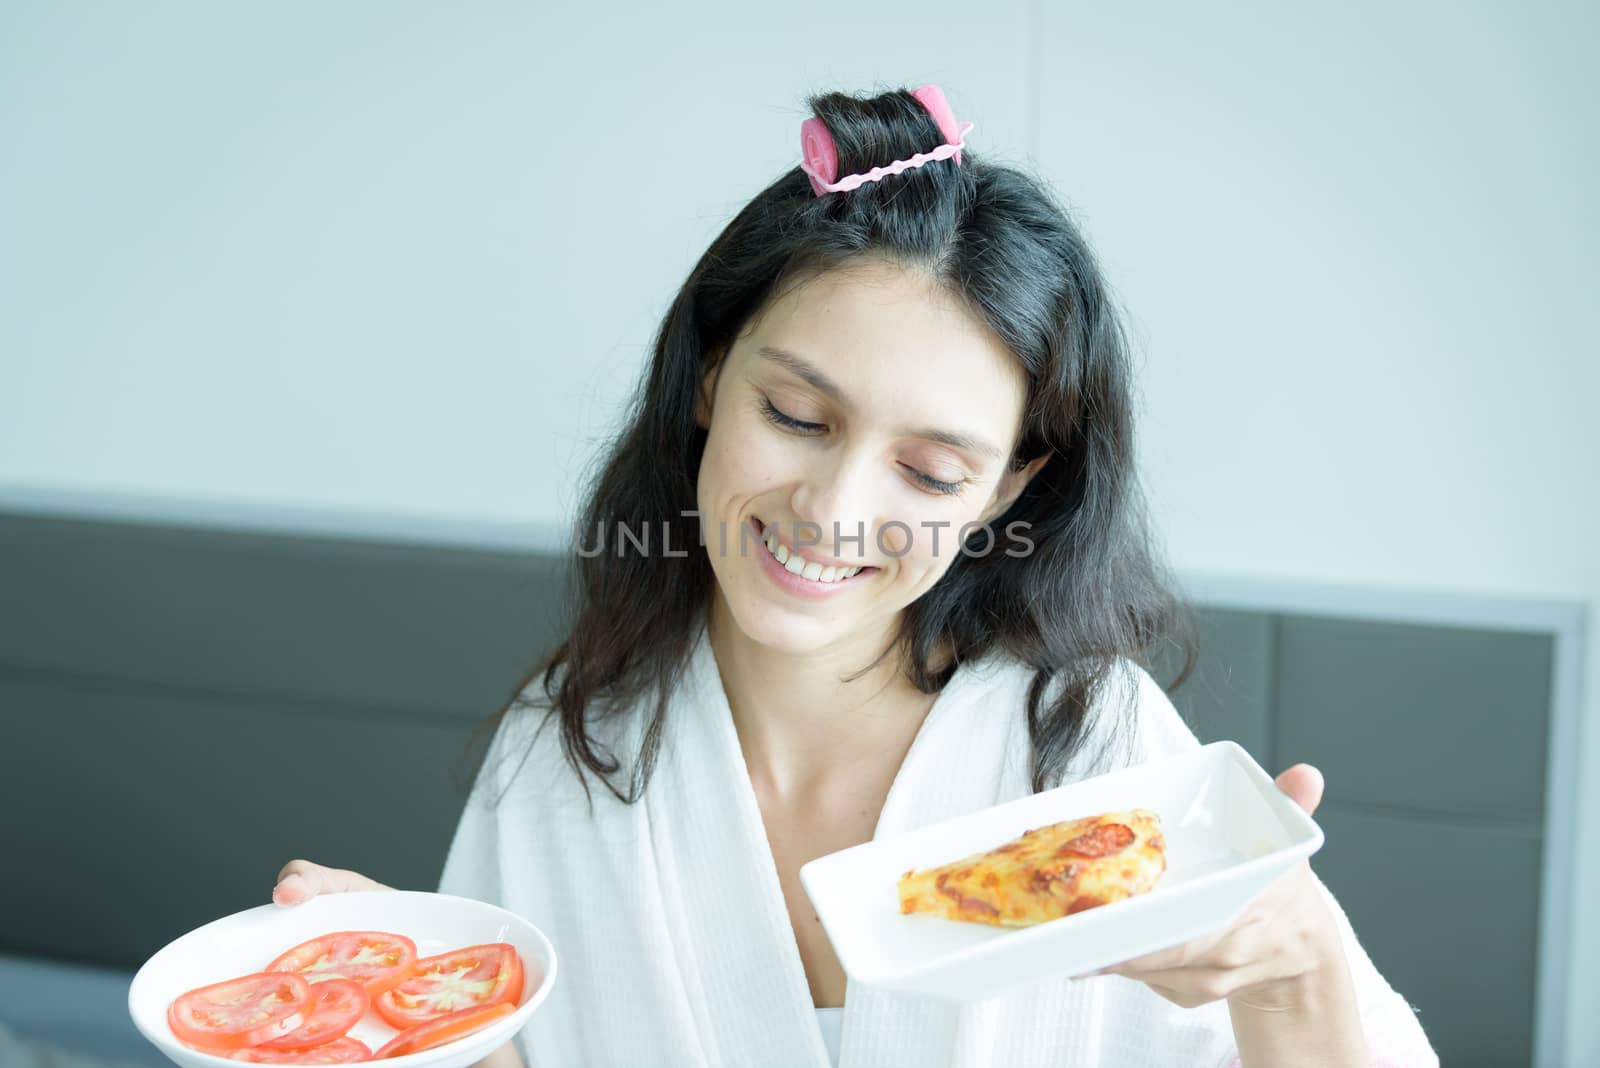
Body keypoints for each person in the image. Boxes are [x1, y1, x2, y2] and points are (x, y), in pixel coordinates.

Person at [271, 84, 1438, 1067]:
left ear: (1008, 490)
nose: (831, 514)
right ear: (708, 378)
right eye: (793, 414)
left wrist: (1299, 964)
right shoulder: (568, 749)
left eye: (930, 474)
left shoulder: (1093, 758)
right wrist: (416, 1025)